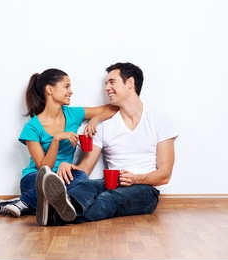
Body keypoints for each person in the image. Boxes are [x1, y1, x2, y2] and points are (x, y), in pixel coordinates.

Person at [35, 62, 178, 226]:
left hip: (144, 189)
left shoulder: (158, 122)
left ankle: (53, 215)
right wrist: (68, 166)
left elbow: (165, 175)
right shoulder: (104, 126)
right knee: (87, 186)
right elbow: (85, 169)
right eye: (106, 83)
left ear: (130, 83)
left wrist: (136, 178)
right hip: (110, 183)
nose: (106, 88)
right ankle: (59, 207)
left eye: (112, 82)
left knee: (107, 199)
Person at [0, 68, 118, 218]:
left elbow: (113, 108)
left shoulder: (73, 114)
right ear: (49, 89)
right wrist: (56, 139)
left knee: (82, 179)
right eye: (66, 86)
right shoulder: (32, 127)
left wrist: (95, 119)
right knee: (58, 185)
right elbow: (44, 167)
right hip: (36, 177)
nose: (71, 91)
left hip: (65, 177)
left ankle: (22, 203)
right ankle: (29, 201)